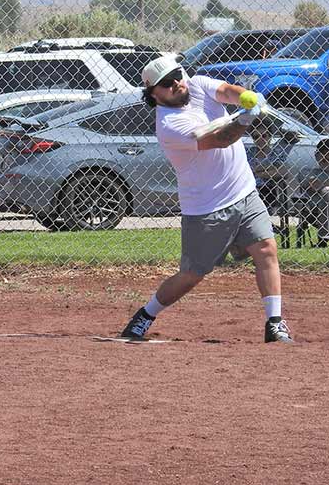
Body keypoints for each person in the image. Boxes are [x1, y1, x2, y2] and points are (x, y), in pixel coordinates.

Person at [120, 56, 292, 343]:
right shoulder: (170, 126)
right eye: (165, 83)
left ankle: (274, 322)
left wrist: (247, 97)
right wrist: (247, 117)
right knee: (191, 274)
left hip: (244, 191)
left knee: (266, 249)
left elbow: (226, 92)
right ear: (153, 94)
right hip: (207, 208)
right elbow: (222, 138)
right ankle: (145, 315)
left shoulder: (197, 85)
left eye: (177, 75)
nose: (176, 83)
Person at [297, 138, 329, 247]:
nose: (325, 159)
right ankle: (323, 238)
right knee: (326, 191)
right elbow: (315, 185)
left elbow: (319, 184)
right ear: (316, 155)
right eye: (322, 156)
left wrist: (323, 183)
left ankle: (324, 238)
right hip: (315, 209)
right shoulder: (307, 171)